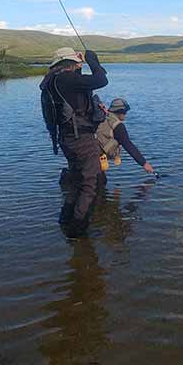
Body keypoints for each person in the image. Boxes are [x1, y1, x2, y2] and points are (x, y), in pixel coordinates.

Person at [40, 46, 108, 238]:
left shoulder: (52, 80)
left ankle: (66, 219)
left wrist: (78, 65)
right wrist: (93, 60)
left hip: (66, 138)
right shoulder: (66, 79)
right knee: (90, 183)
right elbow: (101, 80)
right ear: (68, 63)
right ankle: (78, 228)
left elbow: (76, 89)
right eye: (75, 63)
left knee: (77, 180)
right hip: (81, 139)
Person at [95, 98, 154, 176]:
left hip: (88, 152)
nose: (126, 115)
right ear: (120, 112)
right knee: (97, 183)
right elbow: (128, 145)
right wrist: (144, 163)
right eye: (125, 112)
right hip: (95, 157)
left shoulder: (104, 116)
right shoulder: (118, 126)